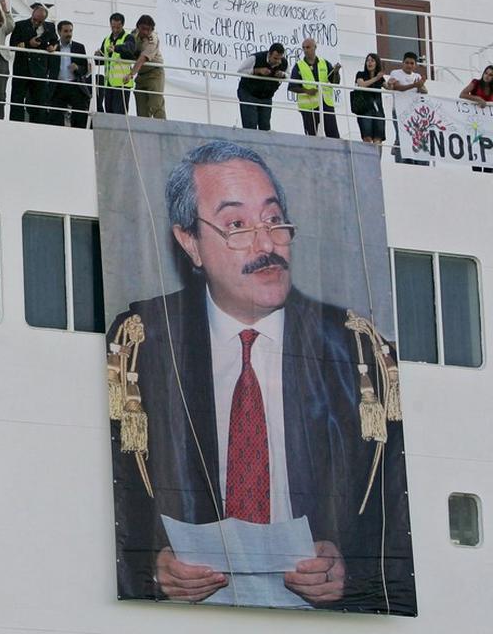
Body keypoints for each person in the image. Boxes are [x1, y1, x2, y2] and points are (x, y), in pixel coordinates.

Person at [107, 139, 413, 613]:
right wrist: (152, 565)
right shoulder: (140, 347)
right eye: (237, 226)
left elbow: (396, 515)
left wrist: (348, 570)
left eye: (274, 220)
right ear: (190, 242)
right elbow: (117, 497)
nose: (266, 244)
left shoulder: (357, 352)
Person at [9, 2, 58, 123]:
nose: (36, 23)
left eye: (39, 21)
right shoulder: (20, 25)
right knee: (17, 100)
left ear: (44, 20)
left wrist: (53, 47)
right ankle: (15, 124)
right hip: (22, 68)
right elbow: (12, 44)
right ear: (32, 15)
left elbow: (55, 41)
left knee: (38, 102)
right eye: (34, 20)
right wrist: (27, 43)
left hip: (40, 69)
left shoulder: (50, 27)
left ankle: (37, 126)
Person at [289, 37, 341, 138]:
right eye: (303, 48)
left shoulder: (324, 63)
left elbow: (335, 82)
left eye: (308, 47)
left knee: (333, 134)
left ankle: (335, 153)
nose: (305, 50)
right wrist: (307, 91)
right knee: (311, 136)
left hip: (325, 103)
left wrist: (336, 72)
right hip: (309, 106)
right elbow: (292, 86)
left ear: (315, 47)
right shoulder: (299, 66)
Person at [385, 52, 428, 166]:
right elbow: (398, 87)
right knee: (401, 136)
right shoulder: (395, 73)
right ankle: (402, 162)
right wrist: (415, 85)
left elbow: (424, 91)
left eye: (412, 63)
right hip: (399, 110)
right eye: (407, 63)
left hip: (414, 112)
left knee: (414, 137)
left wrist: (420, 86)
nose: (409, 65)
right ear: (402, 63)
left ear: (415, 65)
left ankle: (412, 160)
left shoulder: (417, 76)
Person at [235, 43, 288, 132]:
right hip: (249, 94)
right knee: (250, 124)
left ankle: (263, 145)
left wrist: (282, 74)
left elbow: (288, 75)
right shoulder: (255, 58)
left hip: (267, 96)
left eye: (280, 59)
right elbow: (240, 71)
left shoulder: (284, 63)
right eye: (275, 58)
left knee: (265, 126)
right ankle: (251, 145)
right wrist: (257, 71)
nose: (278, 61)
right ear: (269, 54)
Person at [122, 14, 166, 120]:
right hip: (141, 74)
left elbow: (142, 58)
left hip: (154, 73)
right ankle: (144, 132)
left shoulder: (153, 39)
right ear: (138, 27)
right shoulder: (132, 35)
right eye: (143, 29)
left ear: (152, 30)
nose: (145, 32)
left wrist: (131, 74)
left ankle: (162, 130)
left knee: (156, 104)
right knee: (141, 109)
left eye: (148, 29)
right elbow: (125, 48)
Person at [51, 20, 91, 128]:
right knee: (55, 115)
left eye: (70, 31)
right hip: (58, 84)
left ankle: (77, 134)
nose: (69, 34)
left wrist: (78, 68)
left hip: (74, 84)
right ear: (59, 32)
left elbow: (85, 69)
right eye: (65, 31)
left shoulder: (79, 47)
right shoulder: (53, 47)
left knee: (80, 113)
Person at [96, 12, 134, 116]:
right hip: (108, 84)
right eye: (113, 27)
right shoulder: (107, 39)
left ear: (122, 25)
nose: (115, 29)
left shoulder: (128, 37)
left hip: (122, 83)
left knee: (120, 114)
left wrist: (116, 48)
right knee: (109, 112)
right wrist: (97, 56)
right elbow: (105, 59)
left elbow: (130, 49)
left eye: (118, 27)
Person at [459, 65, 493, 173]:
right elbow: (462, 94)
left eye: (491, 75)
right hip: (475, 124)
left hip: (489, 126)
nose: (487, 76)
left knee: (489, 155)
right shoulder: (476, 83)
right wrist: (478, 98)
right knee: (476, 150)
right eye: (486, 73)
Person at [350, 53, 387, 146]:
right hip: (364, 109)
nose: (369, 62)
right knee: (367, 137)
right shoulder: (360, 74)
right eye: (368, 60)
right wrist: (376, 78)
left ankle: (377, 160)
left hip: (378, 110)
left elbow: (388, 87)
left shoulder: (380, 78)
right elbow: (362, 84)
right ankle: (368, 160)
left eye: (372, 60)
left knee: (378, 138)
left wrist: (391, 83)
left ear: (376, 63)